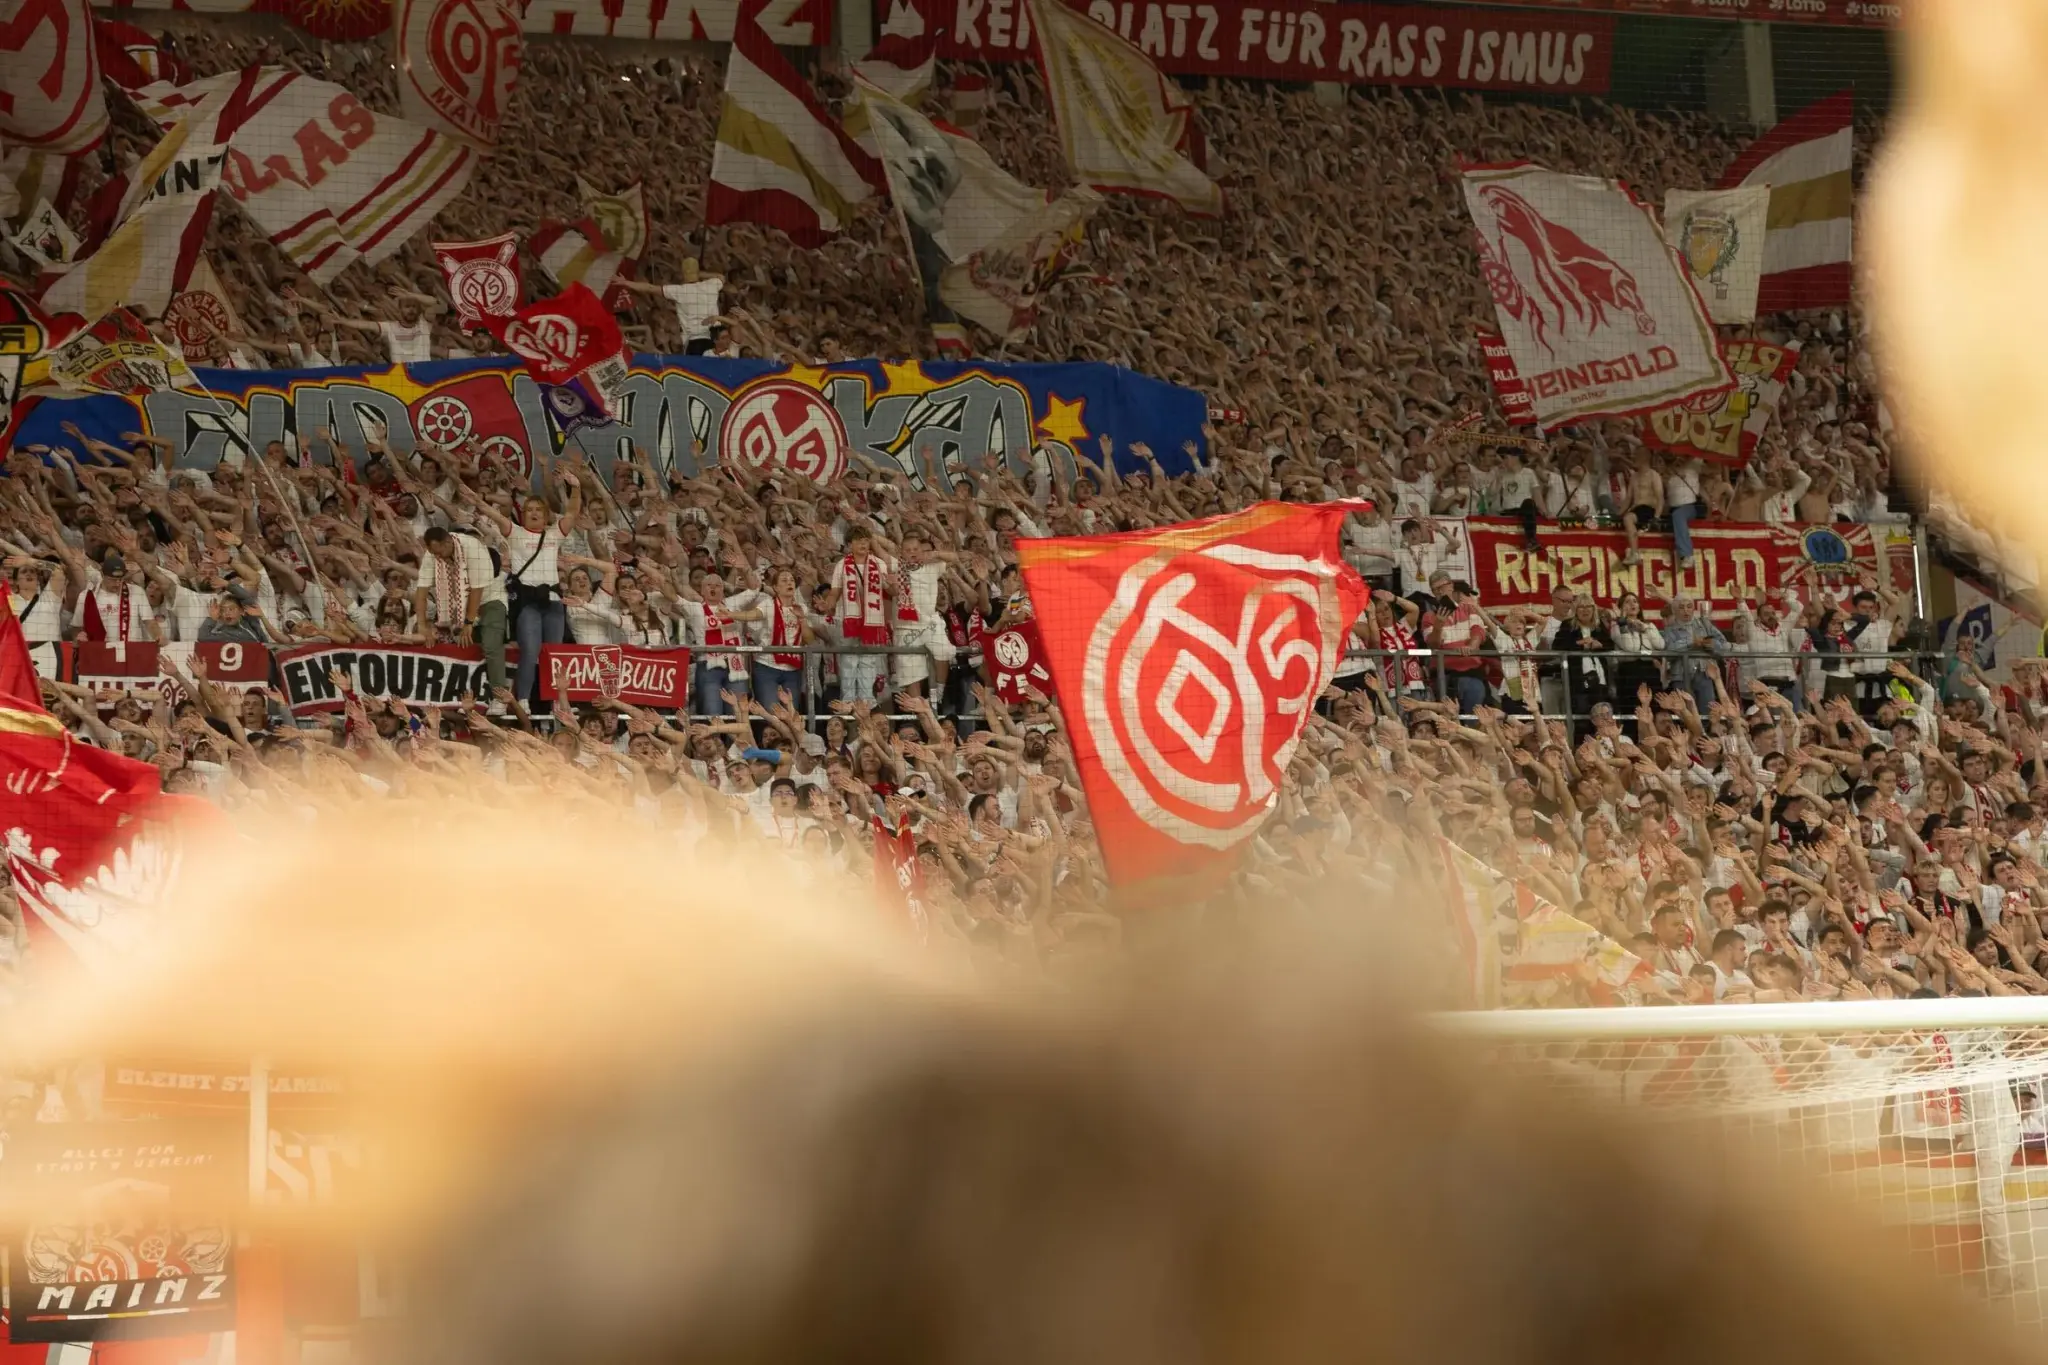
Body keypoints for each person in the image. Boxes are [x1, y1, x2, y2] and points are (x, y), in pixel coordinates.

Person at [416, 525, 509, 696]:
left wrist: (468, 623)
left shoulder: (473, 548)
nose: (437, 557)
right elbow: (421, 590)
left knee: (491, 644)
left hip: (490, 598)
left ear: (447, 542)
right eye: (433, 553)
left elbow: (476, 590)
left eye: (439, 553)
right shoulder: (432, 554)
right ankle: (469, 697)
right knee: (461, 645)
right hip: (460, 605)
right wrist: (422, 625)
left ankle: (500, 696)